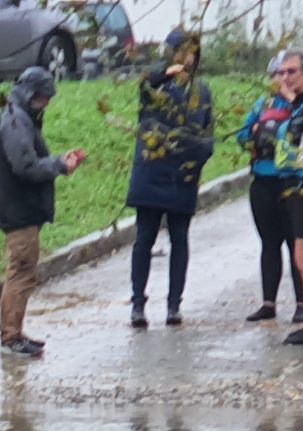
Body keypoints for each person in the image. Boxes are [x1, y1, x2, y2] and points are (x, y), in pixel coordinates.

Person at [242, 50, 303, 344]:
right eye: (282, 72)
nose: (285, 77)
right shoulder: (301, 105)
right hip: (296, 185)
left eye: (292, 72)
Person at [0, 65, 85, 359]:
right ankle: (11, 337)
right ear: (32, 95)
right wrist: (58, 165)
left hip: (21, 209)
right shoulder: (16, 121)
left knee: (20, 272)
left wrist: (56, 161)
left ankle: (13, 333)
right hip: (19, 212)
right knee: (21, 273)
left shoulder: (18, 117)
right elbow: (25, 166)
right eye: (45, 98)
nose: (47, 103)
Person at [124, 28, 215, 329]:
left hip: (183, 175)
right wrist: (166, 73)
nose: (187, 58)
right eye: (182, 51)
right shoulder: (156, 85)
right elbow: (145, 84)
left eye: (192, 52)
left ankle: (174, 304)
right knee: (144, 238)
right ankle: (138, 303)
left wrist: (195, 157)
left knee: (180, 239)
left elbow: (207, 134)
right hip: (152, 171)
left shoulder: (201, 92)